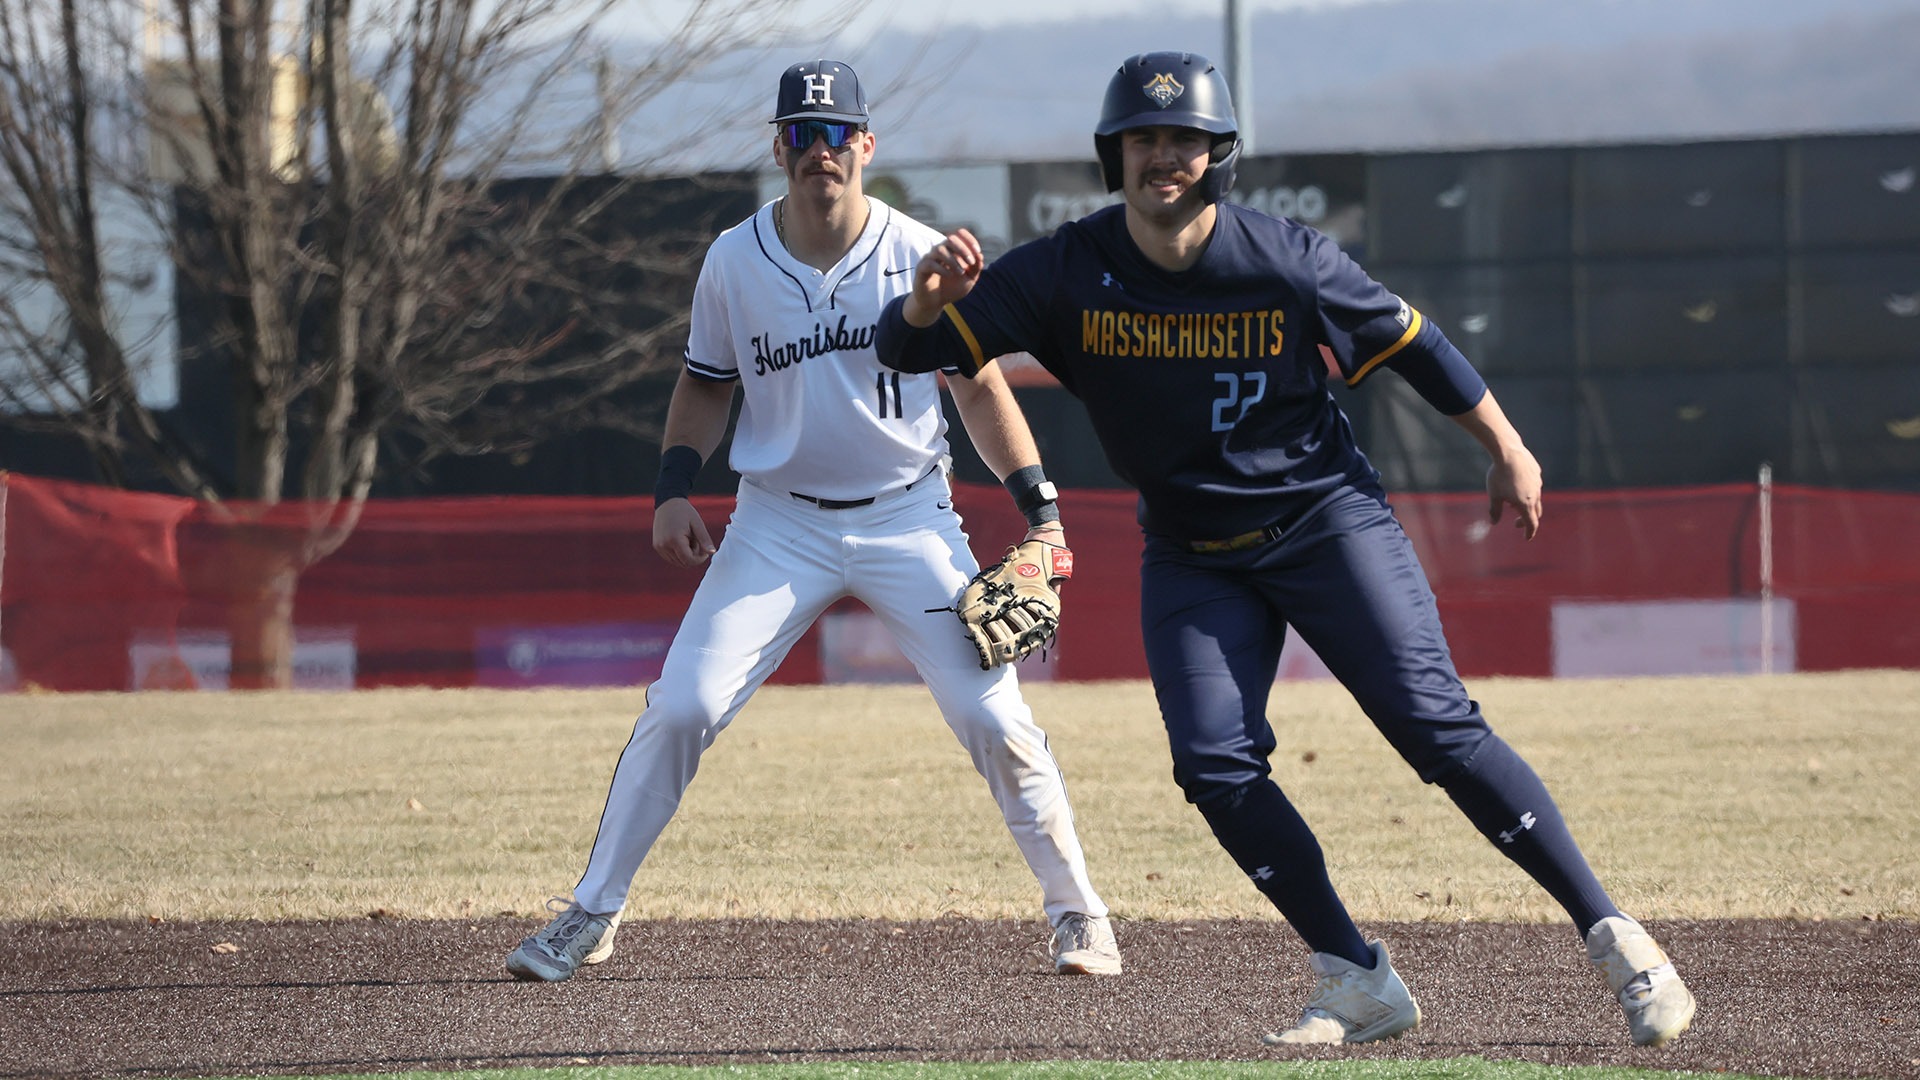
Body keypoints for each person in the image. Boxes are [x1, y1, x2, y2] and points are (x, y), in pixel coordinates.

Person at [874, 51, 1695, 1048]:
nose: (1162, 157)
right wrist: (923, 301)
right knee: (1212, 764)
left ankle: (1621, 941)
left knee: (1435, 729)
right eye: (1144, 139)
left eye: (1183, 141)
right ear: (1113, 155)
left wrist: (1508, 447)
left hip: (1323, 523)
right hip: (1189, 550)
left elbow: (1418, 348)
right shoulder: (1063, 268)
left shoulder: (1283, 258)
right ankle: (1354, 975)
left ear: (1219, 155)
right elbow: (916, 350)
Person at [503, 59, 1120, 983]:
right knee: (683, 705)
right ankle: (592, 911)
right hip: (774, 524)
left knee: (992, 718)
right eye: (801, 134)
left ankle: (1079, 916)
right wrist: (673, 486)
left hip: (910, 517)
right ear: (778, 147)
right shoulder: (733, 260)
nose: (819, 152)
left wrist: (1044, 514)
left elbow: (980, 389)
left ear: (866, 146)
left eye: (837, 135)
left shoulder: (917, 254)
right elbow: (704, 386)